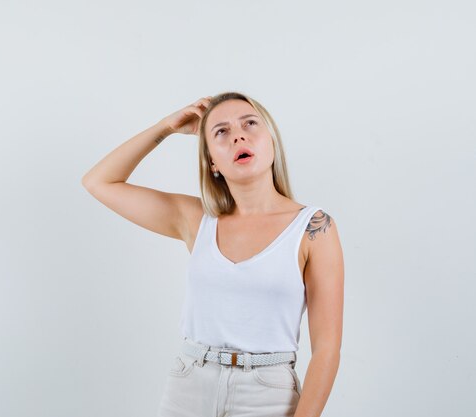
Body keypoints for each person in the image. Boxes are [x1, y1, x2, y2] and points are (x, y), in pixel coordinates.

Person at [81, 91, 344, 417]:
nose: (239, 135)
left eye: (250, 123)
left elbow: (326, 348)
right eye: (221, 131)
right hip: (189, 385)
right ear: (212, 163)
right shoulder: (196, 219)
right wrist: (165, 127)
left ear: (271, 143)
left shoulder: (314, 228)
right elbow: (99, 182)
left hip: (267, 394)